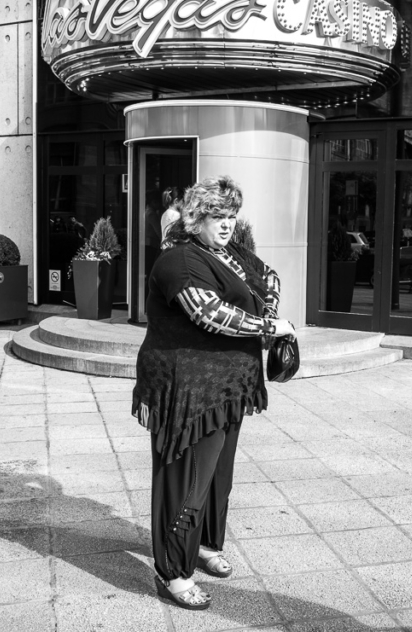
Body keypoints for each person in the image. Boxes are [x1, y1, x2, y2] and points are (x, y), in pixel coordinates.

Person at [132, 177, 294, 611]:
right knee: (187, 479)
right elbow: (208, 313)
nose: (226, 225)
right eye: (216, 217)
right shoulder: (179, 261)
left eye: (230, 216)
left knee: (218, 477)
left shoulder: (233, 254)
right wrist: (266, 326)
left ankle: (204, 546)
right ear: (194, 218)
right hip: (187, 389)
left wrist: (269, 308)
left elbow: (269, 278)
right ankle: (173, 572)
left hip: (229, 386)